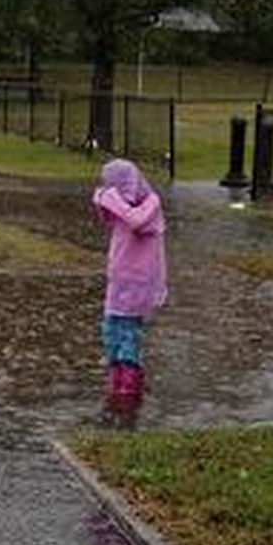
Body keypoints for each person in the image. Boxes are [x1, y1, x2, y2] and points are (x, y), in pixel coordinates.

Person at [92, 159, 167, 419]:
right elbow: (107, 215)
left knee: (129, 335)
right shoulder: (120, 207)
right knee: (111, 331)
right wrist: (103, 198)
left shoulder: (151, 204)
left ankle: (129, 387)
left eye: (115, 184)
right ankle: (117, 378)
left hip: (138, 283)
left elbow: (136, 221)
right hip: (119, 280)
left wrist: (111, 198)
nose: (111, 190)